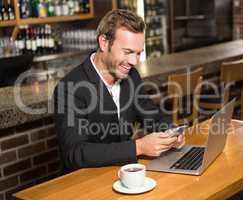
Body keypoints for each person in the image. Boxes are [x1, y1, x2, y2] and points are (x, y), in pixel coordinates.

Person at [54, 9, 185, 172]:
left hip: (124, 173)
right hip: (85, 181)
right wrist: (139, 147)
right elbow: (75, 153)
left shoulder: (131, 76)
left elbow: (152, 116)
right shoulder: (69, 88)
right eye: (128, 52)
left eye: (138, 53)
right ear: (104, 43)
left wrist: (171, 132)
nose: (134, 61)